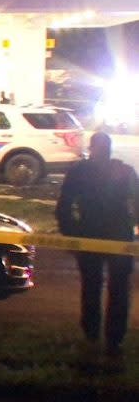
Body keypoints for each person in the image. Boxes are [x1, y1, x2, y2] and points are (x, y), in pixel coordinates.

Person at [55, 131, 138, 369]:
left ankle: (93, 335)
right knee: (118, 289)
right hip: (116, 236)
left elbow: (64, 206)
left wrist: (71, 233)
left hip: (90, 235)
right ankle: (113, 339)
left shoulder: (80, 171)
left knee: (93, 287)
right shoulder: (123, 170)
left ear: (92, 148)